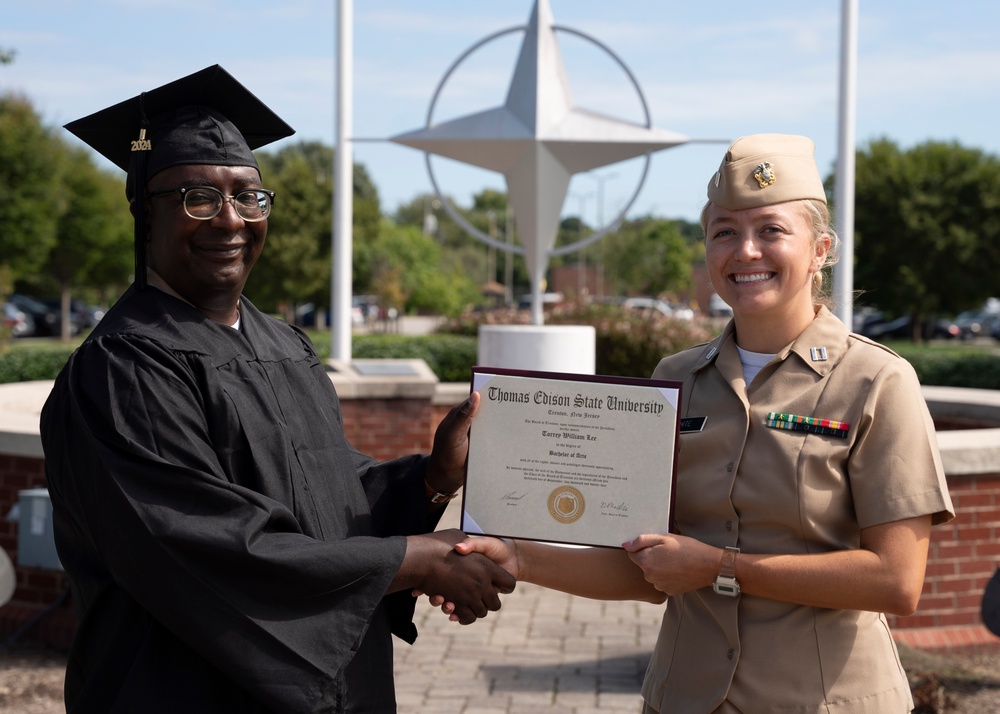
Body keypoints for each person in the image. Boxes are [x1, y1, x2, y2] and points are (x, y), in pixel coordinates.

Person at [39, 65, 514, 714]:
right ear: (143, 212)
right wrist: (418, 558)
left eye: (248, 196)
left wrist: (432, 476)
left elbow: (324, 499)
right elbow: (208, 547)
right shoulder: (125, 368)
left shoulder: (283, 344)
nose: (229, 220)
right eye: (197, 197)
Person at [447, 133, 955, 713]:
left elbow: (895, 580)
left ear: (821, 249)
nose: (746, 251)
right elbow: (648, 568)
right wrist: (519, 556)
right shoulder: (677, 379)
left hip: (823, 701)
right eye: (724, 232)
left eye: (772, 230)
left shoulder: (876, 381)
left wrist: (718, 567)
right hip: (684, 698)